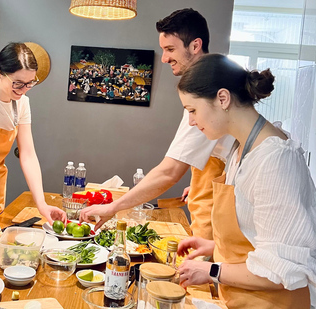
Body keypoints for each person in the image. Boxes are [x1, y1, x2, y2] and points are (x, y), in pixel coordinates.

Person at [176, 53, 316, 309]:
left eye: (192, 111)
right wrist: (214, 246)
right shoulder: (241, 149)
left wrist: (212, 270)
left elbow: (282, 269)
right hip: (242, 303)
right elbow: (254, 235)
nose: (192, 121)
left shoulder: (275, 159)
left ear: (222, 98)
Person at [80, 8, 234, 239]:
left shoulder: (208, 92)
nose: (164, 58)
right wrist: (208, 184)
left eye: (170, 49)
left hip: (218, 231)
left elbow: (170, 171)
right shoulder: (209, 83)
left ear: (195, 45)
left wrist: (113, 207)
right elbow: (225, 153)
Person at [0, 42, 66, 225]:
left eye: (30, 83)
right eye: (18, 83)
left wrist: (41, 204)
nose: (23, 90)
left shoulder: (22, 104)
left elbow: (28, 155)